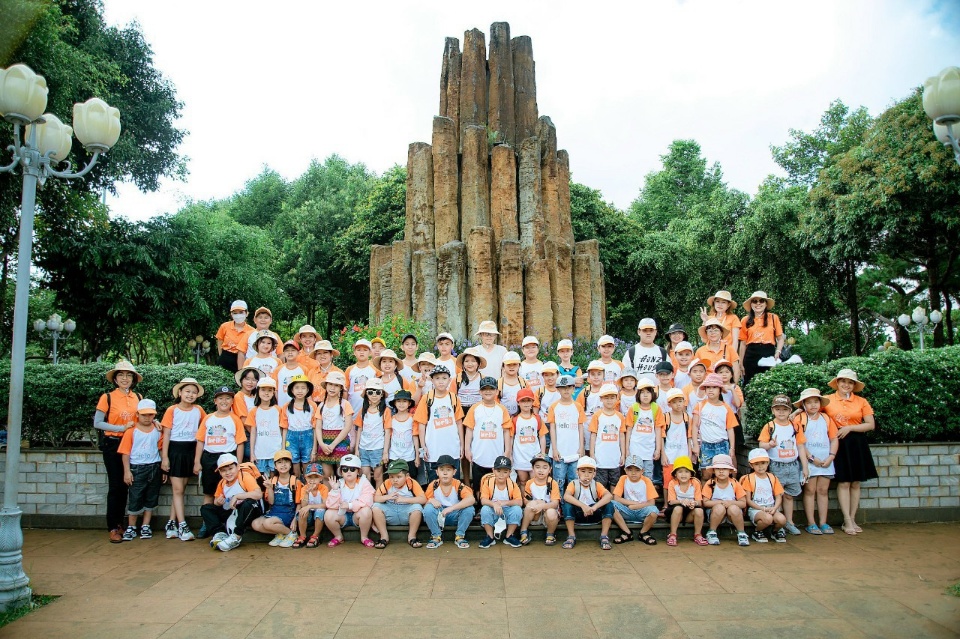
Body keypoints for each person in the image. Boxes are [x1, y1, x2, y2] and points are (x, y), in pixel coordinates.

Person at [822, 368, 877, 535]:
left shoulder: (861, 401)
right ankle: (846, 519)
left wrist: (850, 428)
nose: (846, 385)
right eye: (843, 381)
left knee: (856, 482)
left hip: (857, 443)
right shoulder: (828, 400)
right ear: (837, 383)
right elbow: (812, 412)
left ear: (854, 385)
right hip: (837, 443)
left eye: (850, 382)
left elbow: (870, 424)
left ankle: (852, 518)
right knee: (844, 482)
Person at [95, 360, 145, 543]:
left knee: (128, 485)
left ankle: (125, 524)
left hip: (133, 444)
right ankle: (114, 527)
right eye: (121, 375)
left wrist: (154, 423)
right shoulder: (107, 397)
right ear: (115, 379)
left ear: (133, 379)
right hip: (113, 444)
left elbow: (142, 418)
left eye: (129, 375)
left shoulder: (138, 397)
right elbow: (98, 423)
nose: (125, 378)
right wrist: (121, 428)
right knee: (116, 486)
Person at [194, 387, 247, 538]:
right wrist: (197, 461)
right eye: (221, 398)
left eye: (228, 398)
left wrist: (238, 464)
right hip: (210, 458)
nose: (224, 401)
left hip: (228, 457)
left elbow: (240, 443)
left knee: (229, 492)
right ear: (215, 401)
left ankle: (228, 523)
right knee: (209, 493)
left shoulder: (235, 419)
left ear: (232, 401)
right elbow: (200, 441)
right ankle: (207, 523)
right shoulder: (208, 418)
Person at [160, 378, 207, 541]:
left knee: (180, 490)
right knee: (178, 490)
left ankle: (171, 523)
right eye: (187, 391)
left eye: (194, 392)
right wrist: (165, 457)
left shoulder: (199, 410)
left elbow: (205, 426)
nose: (190, 395)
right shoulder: (172, 410)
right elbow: (166, 434)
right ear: (180, 392)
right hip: (175, 450)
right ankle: (183, 525)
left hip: (191, 450)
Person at [794, 388, 839, 535]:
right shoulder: (800, 419)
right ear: (803, 404)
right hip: (809, 462)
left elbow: (834, 439)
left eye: (816, 401)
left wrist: (831, 457)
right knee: (810, 490)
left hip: (826, 461)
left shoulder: (826, 418)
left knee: (823, 491)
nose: (813, 405)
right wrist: (811, 458)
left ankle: (823, 522)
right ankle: (811, 523)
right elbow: (799, 442)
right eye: (809, 402)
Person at [119, 399, 164, 541]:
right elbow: (125, 452)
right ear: (137, 414)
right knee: (135, 497)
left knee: (151, 496)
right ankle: (131, 526)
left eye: (150, 415)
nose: (147, 418)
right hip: (137, 467)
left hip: (154, 466)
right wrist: (127, 471)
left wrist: (163, 469)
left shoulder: (158, 430)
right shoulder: (131, 431)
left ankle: (146, 525)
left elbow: (161, 449)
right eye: (144, 415)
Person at [201, 453, 264, 552]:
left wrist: (237, 496)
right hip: (232, 511)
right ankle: (220, 533)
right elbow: (216, 501)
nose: (228, 473)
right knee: (206, 508)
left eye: (230, 469)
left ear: (237, 467)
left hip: (250, 511)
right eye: (224, 470)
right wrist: (218, 502)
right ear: (220, 472)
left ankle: (236, 536)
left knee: (248, 503)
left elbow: (258, 494)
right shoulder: (222, 483)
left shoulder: (244, 476)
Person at [414, 365, 465, 482]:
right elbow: (421, 424)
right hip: (433, 449)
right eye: (437, 378)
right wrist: (423, 446)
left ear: (449, 380)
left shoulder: (453, 398)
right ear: (432, 380)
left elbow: (459, 422)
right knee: (434, 483)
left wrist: (461, 445)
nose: (441, 381)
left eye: (444, 378)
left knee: (454, 482)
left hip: (452, 448)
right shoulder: (427, 398)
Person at [463, 377, 513, 495]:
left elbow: (506, 431)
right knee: (478, 487)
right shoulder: (475, 408)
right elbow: (469, 429)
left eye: (491, 389)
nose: (488, 391)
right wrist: (467, 449)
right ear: (480, 392)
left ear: (497, 391)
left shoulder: (502, 409)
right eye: (485, 389)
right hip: (478, 456)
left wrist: (507, 451)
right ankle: (479, 503)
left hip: (496, 456)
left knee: (495, 488)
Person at [423, 455, 476, 549]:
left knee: (469, 509)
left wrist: (451, 508)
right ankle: (436, 536)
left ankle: (460, 535)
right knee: (428, 509)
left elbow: (471, 499)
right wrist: (431, 500)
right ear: (437, 472)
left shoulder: (458, 485)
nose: (445, 473)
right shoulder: (434, 485)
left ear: (454, 472)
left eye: (448, 470)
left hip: (454, 514)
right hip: (439, 515)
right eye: (441, 470)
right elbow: (424, 502)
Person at [691, 373, 738, 480]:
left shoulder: (726, 408)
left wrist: (732, 448)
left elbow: (730, 429)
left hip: (722, 444)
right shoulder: (700, 406)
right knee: (705, 474)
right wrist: (695, 445)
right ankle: (706, 491)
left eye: (714, 387)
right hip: (706, 444)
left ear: (720, 390)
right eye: (708, 387)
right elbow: (695, 426)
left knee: (723, 473)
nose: (710, 390)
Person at [561, 456, 615, 550]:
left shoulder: (597, 485)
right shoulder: (573, 484)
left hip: (593, 514)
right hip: (578, 515)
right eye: (583, 471)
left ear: (594, 473)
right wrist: (583, 506)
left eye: (590, 472)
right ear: (577, 472)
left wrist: (594, 507)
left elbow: (609, 496)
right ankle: (571, 536)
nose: (586, 475)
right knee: (567, 505)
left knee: (609, 505)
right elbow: (566, 496)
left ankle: (604, 536)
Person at [323, 454, 376, 547]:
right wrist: (335, 490)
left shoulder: (364, 482)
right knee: (328, 514)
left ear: (358, 471)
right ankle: (338, 536)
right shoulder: (339, 483)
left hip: (358, 516)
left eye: (352, 469)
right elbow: (330, 505)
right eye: (345, 469)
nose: (348, 472)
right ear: (341, 472)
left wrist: (350, 505)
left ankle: (364, 537)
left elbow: (368, 500)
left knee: (366, 511)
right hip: (342, 516)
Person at [372, 459, 427, 548]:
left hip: (406, 510)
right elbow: (376, 498)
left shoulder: (411, 483)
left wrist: (404, 499)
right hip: (391, 511)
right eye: (391, 477)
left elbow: (423, 499)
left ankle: (412, 536)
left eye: (399, 476)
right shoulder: (387, 483)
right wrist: (387, 497)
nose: (395, 480)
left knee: (417, 508)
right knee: (376, 507)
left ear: (407, 476)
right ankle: (384, 536)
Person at [251, 450, 301, 548]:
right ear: (275, 466)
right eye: (280, 462)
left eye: (286, 462)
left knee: (267, 523)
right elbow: (271, 502)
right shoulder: (272, 481)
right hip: (274, 511)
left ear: (290, 465)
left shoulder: (295, 482)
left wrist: (295, 520)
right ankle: (281, 534)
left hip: (288, 513)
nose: (283, 465)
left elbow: (299, 503)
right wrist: (269, 488)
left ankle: (292, 534)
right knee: (255, 524)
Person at [547, 375, 586, 497]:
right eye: (563, 388)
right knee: (558, 481)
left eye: (569, 387)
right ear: (558, 389)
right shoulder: (554, 406)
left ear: (573, 388)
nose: (566, 390)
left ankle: (573, 505)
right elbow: (552, 428)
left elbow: (580, 427)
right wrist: (554, 449)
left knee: (574, 481)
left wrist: (581, 447)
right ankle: (559, 505)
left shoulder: (578, 406)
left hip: (575, 452)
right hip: (560, 453)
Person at [610, 455, 660, 546]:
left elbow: (651, 502)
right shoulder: (623, 479)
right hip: (627, 510)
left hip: (642, 511)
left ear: (642, 471)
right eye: (630, 470)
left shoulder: (646, 481)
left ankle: (644, 532)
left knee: (654, 510)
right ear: (625, 470)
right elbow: (616, 498)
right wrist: (632, 504)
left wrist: (636, 506)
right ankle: (627, 532)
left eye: (637, 470)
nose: (633, 473)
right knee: (611, 504)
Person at [737, 290, 785, 385]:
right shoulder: (745, 320)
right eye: (755, 301)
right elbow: (743, 344)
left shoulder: (773, 318)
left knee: (768, 382)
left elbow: (780, 338)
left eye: (761, 301)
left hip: (768, 352)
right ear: (751, 304)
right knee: (749, 383)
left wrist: (778, 351)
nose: (758, 303)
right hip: (751, 354)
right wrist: (740, 362)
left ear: (766, 304)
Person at [701, 454, 749, 546]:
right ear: (714, 470)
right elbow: (705, 502)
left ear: (730, 471)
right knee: (719, 508)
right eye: (718, 469)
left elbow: (743, 503)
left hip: (732, 515)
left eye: (724, 469)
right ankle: (712, 532)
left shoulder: (735, 483)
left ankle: (741, 533)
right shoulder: (710, 483)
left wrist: (730, 503)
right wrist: (721, 503)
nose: (721, 471)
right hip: (715, 514)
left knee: (734, 508)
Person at [741, 448, 787, 543]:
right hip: (756, 509)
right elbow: (748, 500)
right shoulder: (749, 478)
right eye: (756, 464)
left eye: (763, 463)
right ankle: (757, 531)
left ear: (767, 463)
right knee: (767, 518)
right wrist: (762, 509)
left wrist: (775, 508)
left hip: (771, 507)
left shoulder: (772, 477)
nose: (760, 466)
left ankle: (775, 531)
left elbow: (778, 496)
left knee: (782, 519)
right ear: (751, 465)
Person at [478, 456, 524, 548]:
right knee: (485, 509)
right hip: (493, 510)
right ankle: (490, 536)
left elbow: (519, 502)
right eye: (498, 471)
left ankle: (509, 535)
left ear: (510, 472)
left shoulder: (512, 484)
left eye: (505, 472)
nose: (501, 475)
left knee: (517, 510)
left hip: (507, 510)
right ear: (493, 470)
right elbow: (483, 500)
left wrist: (505, 503)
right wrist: (494, 504)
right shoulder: (488, 482)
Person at [314, 371, 354, 478]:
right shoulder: (321, 405)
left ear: (341, 388)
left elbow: (347, 427)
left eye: (336, 385)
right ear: (326, 386)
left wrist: (333, 444)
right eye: (330, 384)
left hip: (341, 440)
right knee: (326, 474)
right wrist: (321, 444)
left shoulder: (345, 404)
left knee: (342, 473)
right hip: (324, 440)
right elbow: (318, 427)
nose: (332, 388)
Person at [588, 384, 627, 490]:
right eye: (606, 398)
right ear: (601, 399)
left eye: (612, 397)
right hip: (600, 458)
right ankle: (602, 501)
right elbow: (593, 435)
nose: (609, 400)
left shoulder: (620, 416)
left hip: (615, 458)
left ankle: (614, 501)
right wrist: (592, 454)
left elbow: (622, 436)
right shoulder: (597, 415)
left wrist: (623, 454)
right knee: (600, 484)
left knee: (614, 483)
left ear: (617, 398)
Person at [354, 377, 390, 487]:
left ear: (382, 394)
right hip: (363, 448)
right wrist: (356, 449)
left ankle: (378, 496)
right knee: (365, 477)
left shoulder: (385, 411)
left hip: (378, 449)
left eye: (377, 392)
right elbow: (359, 430)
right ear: (366, 394)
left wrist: (385, 452)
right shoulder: (363, 410)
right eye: (370, 392)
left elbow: (387, 432)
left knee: (378, 477)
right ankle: (367, 496)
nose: (374, 395)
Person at [247, 378, 287, 475]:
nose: (266, 393)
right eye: (263, 390)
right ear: (258, 391)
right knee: (262, 477)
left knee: (275, 476)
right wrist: (252, 453)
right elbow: (253, 432)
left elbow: (282, 430)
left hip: (275, 451)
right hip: (260, 452)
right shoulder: (254, 411)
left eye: (269, 390)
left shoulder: (278, 410)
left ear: (273, 392)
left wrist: (283, 449)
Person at [519, 453, 561, 546]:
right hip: (535, 513)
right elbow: (526, 500)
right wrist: (536, 503)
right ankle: (523, 531)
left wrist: (542, 505)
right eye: (537, 467)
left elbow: (555, 503)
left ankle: (550, 534)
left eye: (545, 467)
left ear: (550, 469)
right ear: (533, 469)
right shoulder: (529, 483)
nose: (541, 470)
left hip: (547, 513)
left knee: (551, 512)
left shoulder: (552, 483)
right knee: (530, 505)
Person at [665, 455, 707, 546]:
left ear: (691, 474)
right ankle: (672, 535)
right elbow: (671, 501)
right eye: (680, 472)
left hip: (690, 513)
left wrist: (693, 503)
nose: (683, 475)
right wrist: (682, 501)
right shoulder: (672, 483)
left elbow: (699, 501)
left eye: (686, 471)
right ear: (675, 474)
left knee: (699, 510)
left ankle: (698, 535)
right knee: (678, 508)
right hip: (676, 513)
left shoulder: (695, 483)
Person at [511, 388, 546, 487]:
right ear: (518, 403)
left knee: (535, 481)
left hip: (534, 456)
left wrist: (543, 453)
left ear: (532, 402)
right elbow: (510, 437)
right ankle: (523, 497)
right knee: (522, 481)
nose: (526, 403)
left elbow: (542, 436)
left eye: (529, 400)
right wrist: (510, 454)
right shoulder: (514, 419)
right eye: (523, 401)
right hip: (519, 456)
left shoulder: (537, 418)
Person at [625, 379, 661, 478]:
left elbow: (658, 429)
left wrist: (658, 449)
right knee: (634, 474)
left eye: (648, 392)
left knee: (648, 475)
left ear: (652, 394)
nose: (645, 395)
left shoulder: (656, 408)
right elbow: (629, 429)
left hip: (649, 449)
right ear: (638, 394)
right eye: (642, 392)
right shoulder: (634, 408)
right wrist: (627, 449)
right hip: (635, 448)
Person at [284, 374, 316, 478]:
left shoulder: (312, 406)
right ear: (292, 390)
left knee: (307, 460)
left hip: (308, 436)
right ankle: (297, 482)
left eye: (303, 388)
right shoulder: (286, 406)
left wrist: (314, 448)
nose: (300, 391)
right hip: (291, 437)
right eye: (297, 388)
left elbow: (315, 427)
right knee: (294, 461)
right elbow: (284, 427)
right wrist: (283, 447)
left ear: (308, 390)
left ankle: (307, 482)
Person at [291, 462, 328, 548]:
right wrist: (307, 493)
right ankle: (302, 535)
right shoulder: (304, 488)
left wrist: (310, 506)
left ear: (321, 478)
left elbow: (325, 505)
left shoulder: (324, 488)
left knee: (320, 511)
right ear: (305, 478)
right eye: (310, 477)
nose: (312, 480)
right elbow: (303, 505)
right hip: (309, 516)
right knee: (303, 511)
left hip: (319, 515)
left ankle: (315, 535)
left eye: (316, 477)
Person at [659, 388, 693, 480]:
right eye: (674, 402)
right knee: (668, 480)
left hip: (683, 455)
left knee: (683, 480)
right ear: (669, 404)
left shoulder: (687, 418)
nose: (678, 404)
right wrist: (663, 455)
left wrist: (690, 455)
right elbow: (661, 437)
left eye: (680, 401)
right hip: (669, 456)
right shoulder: (665, 417)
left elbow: (689, 437)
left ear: (684, 402)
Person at [621, 318, 668, 383]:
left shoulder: (663, 352)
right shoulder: (631, 352)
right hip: (638, 389)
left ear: (655, 332)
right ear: (639, 332)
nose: (648, 333)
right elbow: (624, 376)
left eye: (651, 330)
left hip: (658, 389)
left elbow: (669, 375)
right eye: (645, 330)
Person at [385, 390, 419, 477]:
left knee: (410, 479)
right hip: (394, 456)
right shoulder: (392, 419)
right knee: (394, 479)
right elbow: (388, 436)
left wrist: (417, 456)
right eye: (398, 401)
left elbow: (415, 437)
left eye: (404, 401)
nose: (401, 404)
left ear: (409, 403)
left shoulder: (413, 419)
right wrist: (385, 453)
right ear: (395, 403)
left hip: (409, 457)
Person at [215, 300, 253, 372]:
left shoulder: (251, 331)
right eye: (235, 313)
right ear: (231, 314)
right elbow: (219, 342)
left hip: (242, 360)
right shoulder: (224, 326)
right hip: (225, 358)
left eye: (241, 312)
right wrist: (221, 356)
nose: (238, 315)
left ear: (247, 313)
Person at [345, 339, 380, 415]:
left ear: (370, 352)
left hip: (371, 411)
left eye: (365, 350)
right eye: (358, 350)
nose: (361, 352)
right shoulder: (349, 370)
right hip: (352, 409)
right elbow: (345, 390)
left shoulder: (376, 369)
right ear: (354, 352)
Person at [232, 367, 260, 460]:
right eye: (247, 379)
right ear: (241, 380)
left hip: (258, 431)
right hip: (247, 434)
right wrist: (257, 437)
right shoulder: (238, 396)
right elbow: (244, 420)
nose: (250, 382)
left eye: (254, 380)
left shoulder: (256, 396)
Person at [272, 340, 307, 407]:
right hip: (282, 406)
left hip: (299, 407)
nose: (290, 353)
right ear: (284, 353)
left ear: (298, 353)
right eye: (287, 350)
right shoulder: (278, 370)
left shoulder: (304, 369)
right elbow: (275, 389)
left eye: (293, 350)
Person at [455, 347, 486, 413]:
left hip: (478, 411)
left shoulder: (483, 379)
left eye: (473, 361)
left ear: (478, 363)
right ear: (463, 363)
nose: (470, 364)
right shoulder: (457, 379)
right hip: (461, 412)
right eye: (466, 361)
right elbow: (452, 397)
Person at [498, 351, 526, 416]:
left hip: (519, 418)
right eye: (508, 364)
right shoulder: (499, 384)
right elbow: (495, 403)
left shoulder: (524, 383)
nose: (512, 367)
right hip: (503, 418)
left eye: (515, 364)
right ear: (503, 366)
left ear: (519, 366)